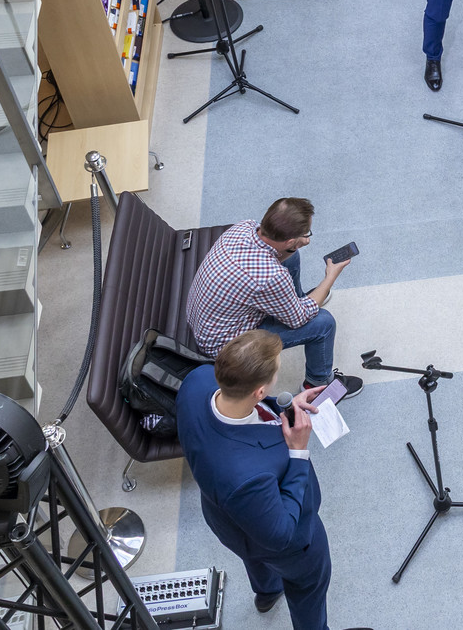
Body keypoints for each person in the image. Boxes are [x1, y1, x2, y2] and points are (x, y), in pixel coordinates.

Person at [177, 330, 368, 630]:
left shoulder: (196, 381)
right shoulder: (245, 476)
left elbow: (251, 413)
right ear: (259, 391)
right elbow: (281, 534)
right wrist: (298, 452)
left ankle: (267, 592)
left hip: (225, 519)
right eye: (277, 371)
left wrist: (285, 409)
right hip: (291, 543)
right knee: (308, 587)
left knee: (254, 556)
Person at [187, 197, 362, 398]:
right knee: (323, 323)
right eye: (306, 234)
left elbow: (279, 259)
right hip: (226, 347)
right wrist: (330, 277)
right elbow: (299, 320)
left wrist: (295, 248)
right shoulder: (271, 276)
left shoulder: (244, 227)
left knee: (291, 256)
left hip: (205, 320)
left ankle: (294, 302)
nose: (308, 240)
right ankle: (318, 384)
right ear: (290, 241)